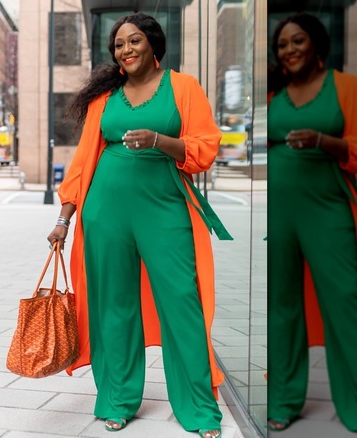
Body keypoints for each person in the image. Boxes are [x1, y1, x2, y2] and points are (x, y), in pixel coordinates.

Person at [46, 13, 231, 438]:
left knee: (183, 304)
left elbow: (205, 147)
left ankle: (200, 410)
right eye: (118, 45)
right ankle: (117, 400)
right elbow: (83, 160)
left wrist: (159, 141)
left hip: (165, 207)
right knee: (114, 307)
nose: (125, 51)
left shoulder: (184, 87)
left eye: (133, 42)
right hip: (105, 210)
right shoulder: (105, 97)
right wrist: (64, 218)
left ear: (153, 44)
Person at [267, 13, 357, 438]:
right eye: (283, 44)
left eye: (297, 40)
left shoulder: (346, 87)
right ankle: (282, 401)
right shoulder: (275, 94)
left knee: (345, 306)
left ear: (317, 44)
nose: (289, 49)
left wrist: (324, 141)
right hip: (278, 213)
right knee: (282, 309)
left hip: (328, 210)